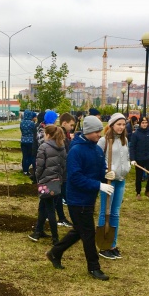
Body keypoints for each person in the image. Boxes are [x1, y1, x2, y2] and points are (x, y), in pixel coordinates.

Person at [46, 115, 114, 280]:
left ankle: (55, 252)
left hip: (89, 198)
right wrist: (98, 185)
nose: (100, 134)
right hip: (77, 200)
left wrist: (106, 174)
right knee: (88, 233)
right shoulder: (76, 151)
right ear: (89, 131)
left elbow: (99, 170)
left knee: (79, 230)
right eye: (97, 131)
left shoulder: (97, 149)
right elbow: (75, 177)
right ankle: (94, 267)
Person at [97, 113, 131, 260]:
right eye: (119, 124)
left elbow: (126, 158)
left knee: (116, 213)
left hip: (120, 180)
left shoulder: (125, 140)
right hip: (108, 182)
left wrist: (128, 166)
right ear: (111, 125)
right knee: (106, 212)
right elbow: (97, 161)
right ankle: (103, 245)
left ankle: (112, 244)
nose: (121, 127)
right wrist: (105, 171)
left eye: (123, 125)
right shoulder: (104, 141)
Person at [30, 123, 67, 244]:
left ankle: (55, 237)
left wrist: (38, 179)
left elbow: (39, 167)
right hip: (56, 183)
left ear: (48, 135)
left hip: (45, 182)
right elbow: (63, 166)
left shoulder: (43, 147)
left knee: (50, 209)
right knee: (43, 206)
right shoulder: (62, 147)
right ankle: (38, 231)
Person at [129, 116, 149, 200]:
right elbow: (132, 147)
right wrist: (132, 159)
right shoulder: (135, 134)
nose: (144, 124)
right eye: (143, 123)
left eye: (146, 123)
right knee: (139, 177)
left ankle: (147, 191)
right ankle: (138, 193)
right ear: (140, 123)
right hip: (139, 158)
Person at [55, 112, 75, 227]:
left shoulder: (65, 135)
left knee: (58, 195)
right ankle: (61, 217)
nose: (72, 128)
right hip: (61, 171)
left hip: (62, 170)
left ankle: (59, 216)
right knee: (61, 194)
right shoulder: (60, 135)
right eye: (71, 125)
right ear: (64, 123)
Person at [20, 110, 37, 177]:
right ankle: (29, 168)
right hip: (30, 141)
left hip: (23, 141)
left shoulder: (21, 123)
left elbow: (21, 130)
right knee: (30, 156)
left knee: (24, 156)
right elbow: (34, 131)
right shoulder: (32, 123)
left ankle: (24, 170)